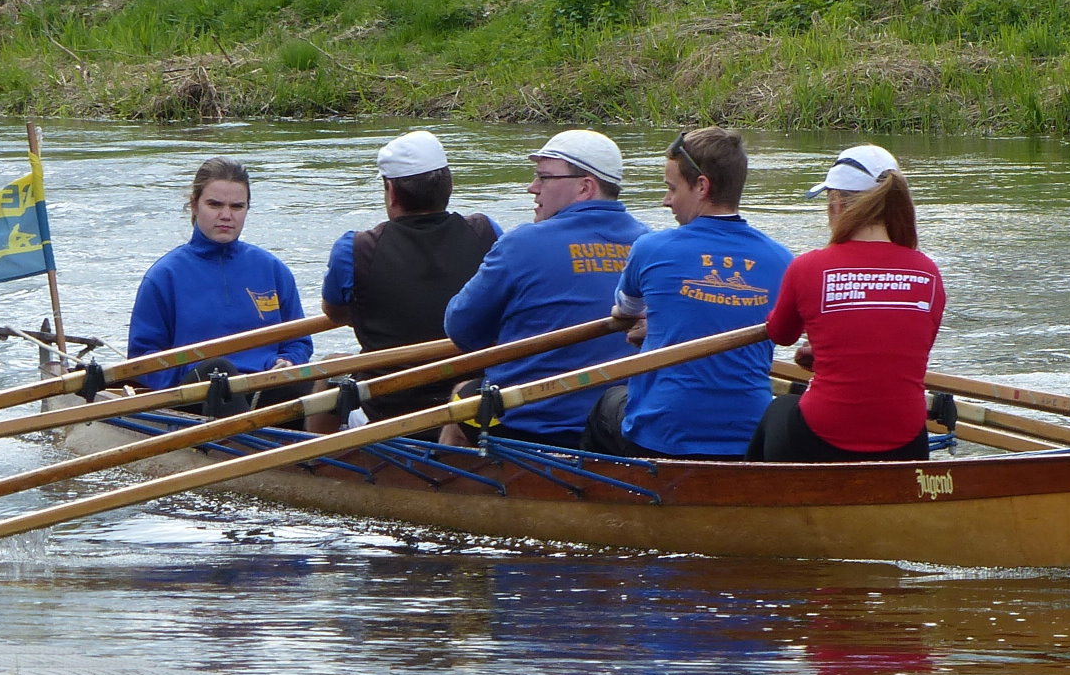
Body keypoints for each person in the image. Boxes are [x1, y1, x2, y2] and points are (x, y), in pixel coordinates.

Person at [582, 127, 791, 460]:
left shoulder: (651, 247)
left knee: (606, 405)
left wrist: (655, 323)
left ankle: (593, 487)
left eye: (671, 188)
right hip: (748, 437)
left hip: (661, 437)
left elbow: (625, 312)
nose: (666, 201)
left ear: (702, 187)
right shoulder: (783, 259)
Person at [442, 129, 649, 447]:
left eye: (544, 177)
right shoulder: (650, 244)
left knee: (463, 396)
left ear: (585, 187)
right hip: (621, 425)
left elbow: (462, 331)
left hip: (533, 427)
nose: (532, 187)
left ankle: (450, 477)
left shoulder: (520, 243)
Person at [748, 145, 945, 463]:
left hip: (823, 434)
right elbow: (901, 349)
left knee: (779, 407)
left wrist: (826, 349)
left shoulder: (808, 266)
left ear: (837, 203)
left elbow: (780, 333)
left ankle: (753, 491)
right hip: (907, 440)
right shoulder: (928, 271)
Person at [311, 130, 501, 429]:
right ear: (449, 186)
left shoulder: (354, 249)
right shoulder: (487, 232)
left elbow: (334, 313)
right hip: (471, 400)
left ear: (392, 191)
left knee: (331, 367)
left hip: (386, 409)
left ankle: (319, 453)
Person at [127, 157, 313, 399]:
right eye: (215, 205)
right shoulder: (163, 277)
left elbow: (299, 342)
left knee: (336, 376)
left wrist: (289, 360)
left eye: (237, 207)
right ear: (194, 205)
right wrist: (189, 377)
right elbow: (141, 359)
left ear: (247, 209)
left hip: (266, 386)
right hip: (197, 394)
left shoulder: (274, 270)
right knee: (218, 369)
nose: (226, 215)